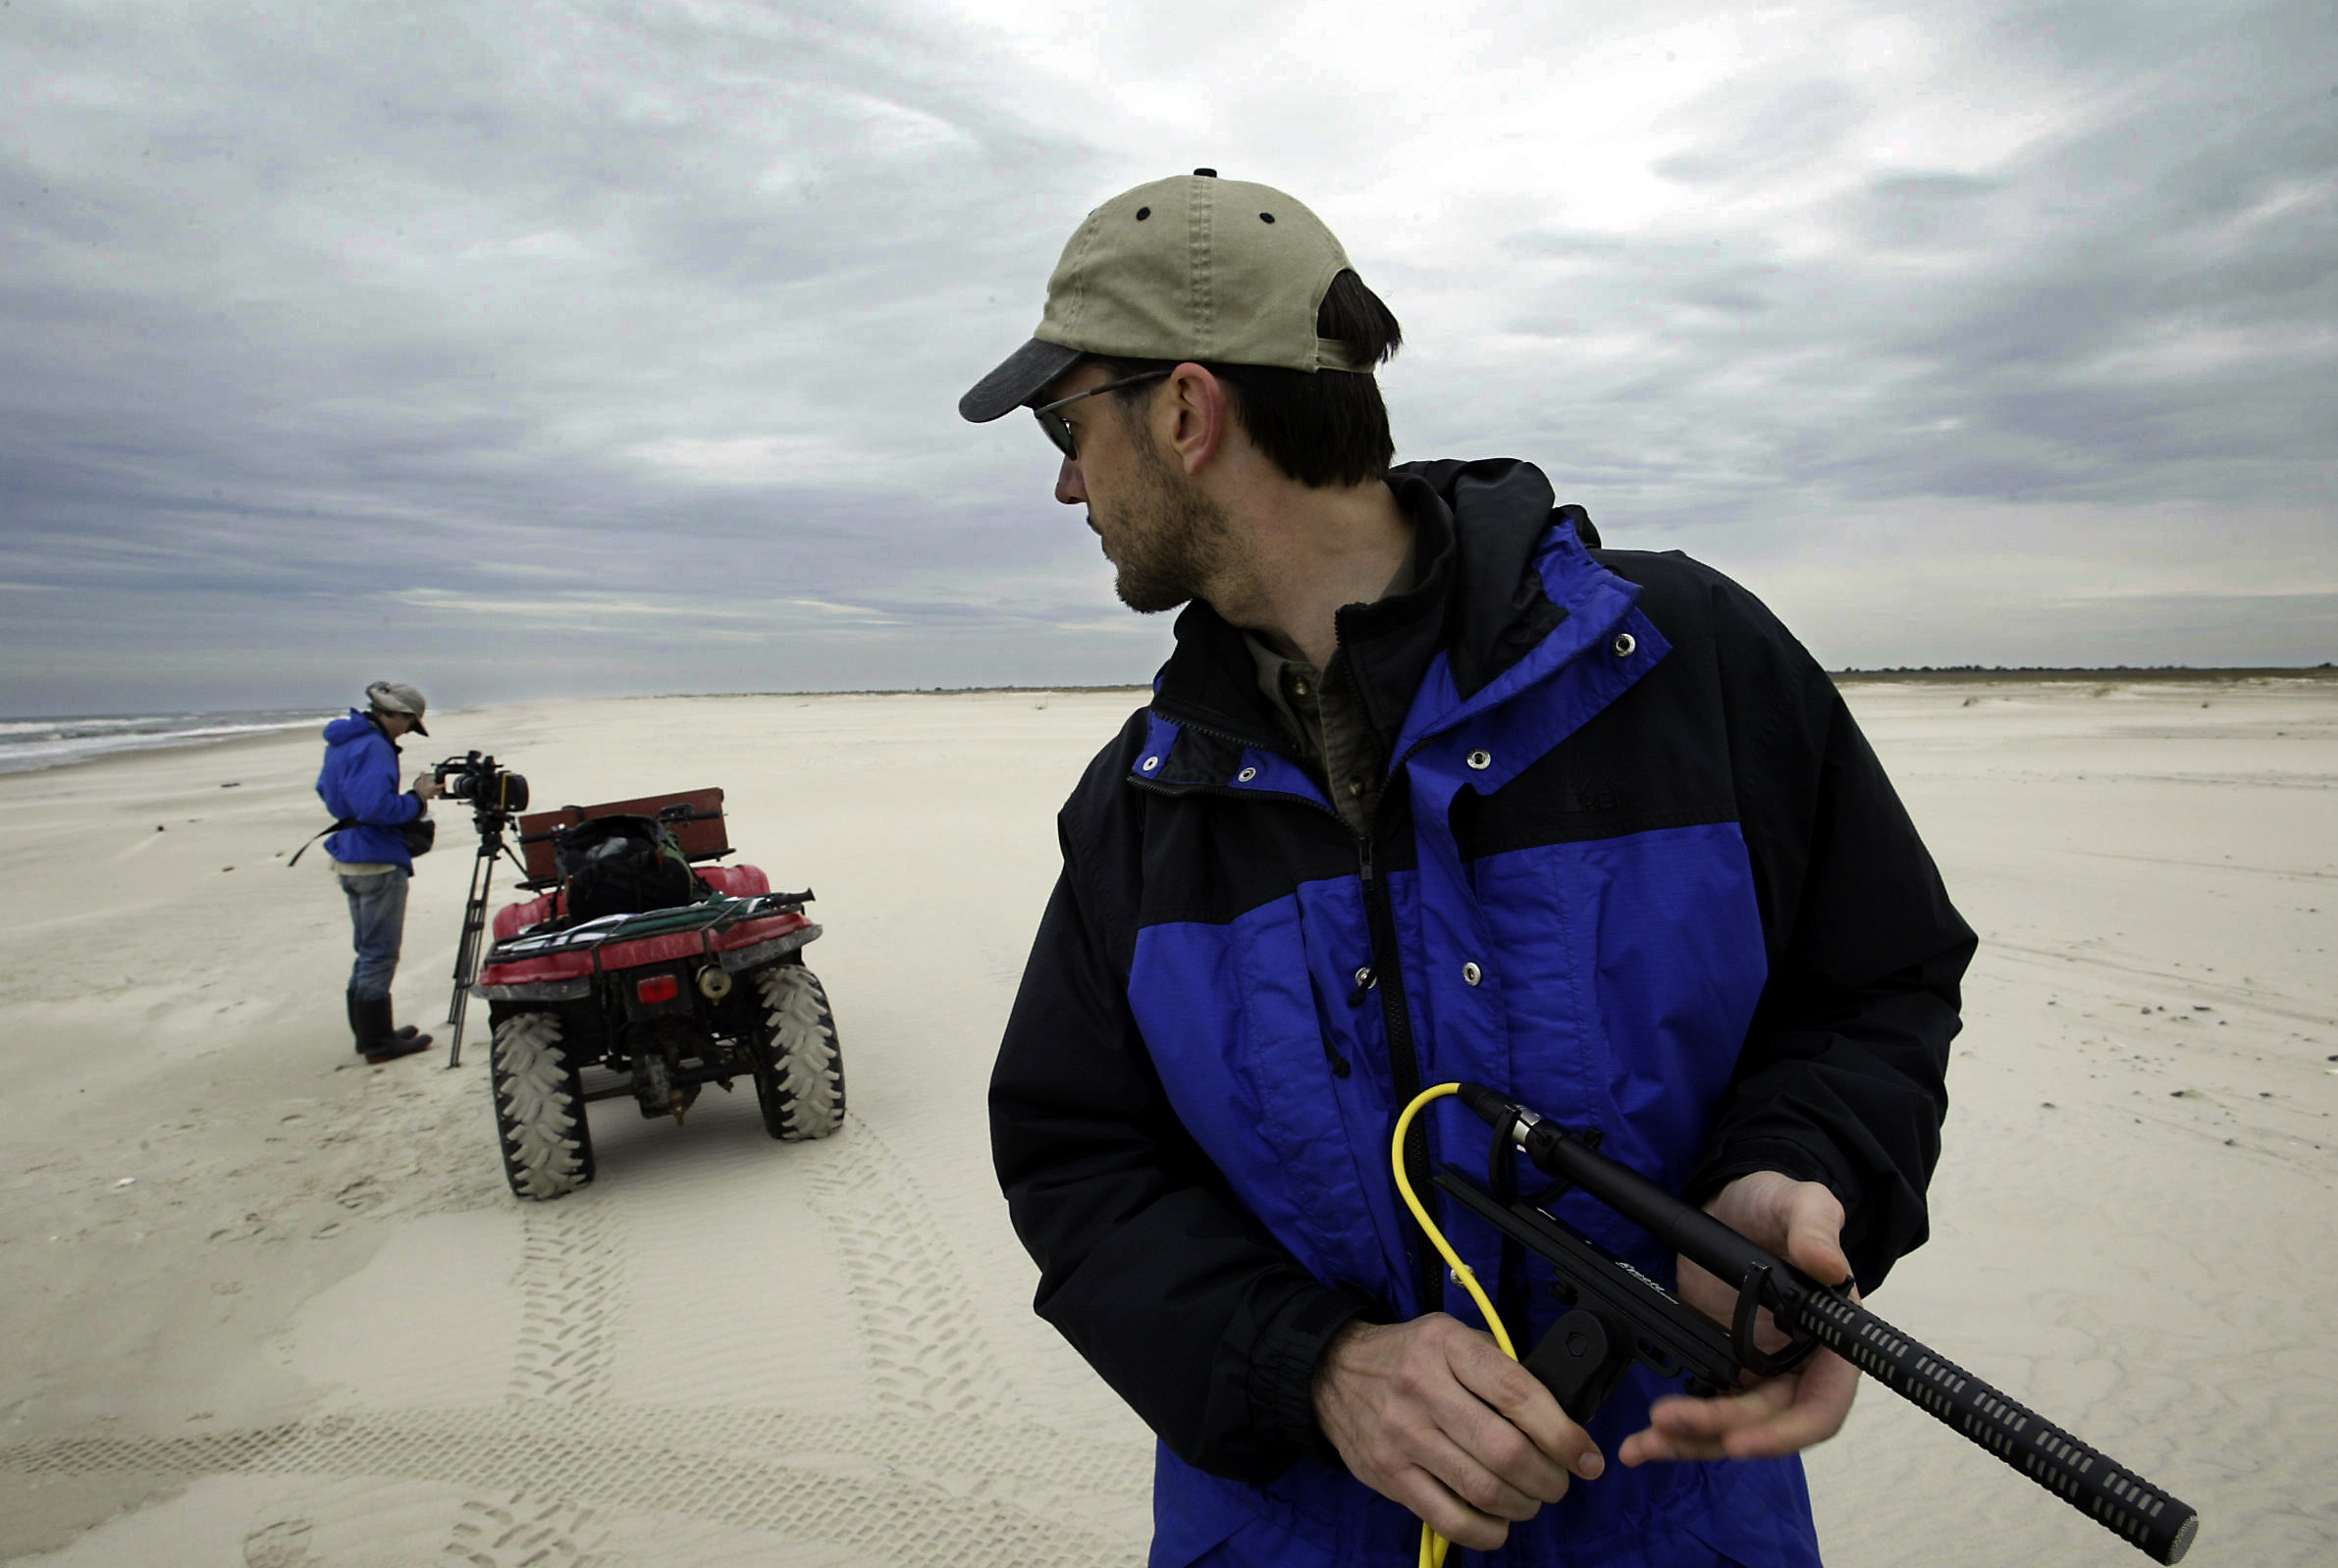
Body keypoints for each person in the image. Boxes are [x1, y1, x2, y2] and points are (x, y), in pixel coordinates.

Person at [963, 172, 1975, 1568]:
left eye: (1070, 422)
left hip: (1675, 1518)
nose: (1069, 476)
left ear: (1187, 412)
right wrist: (1311, 1366)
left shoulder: (1684, 661)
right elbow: (1080, 1166)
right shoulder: (1143, 805)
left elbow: (1872, 985)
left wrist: (1793, 1168)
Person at [316, 680, 443, 1065]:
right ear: (398, 715)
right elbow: (377, 809)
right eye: (409, 724)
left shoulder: (344, 740)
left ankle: (370, 1034)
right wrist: (418, 801)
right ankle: (378, 1044)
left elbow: (326, 790)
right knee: (380, 953)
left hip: (349, 855)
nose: (407, 731)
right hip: (377, 859)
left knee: (366, 950)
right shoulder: (375, 746)